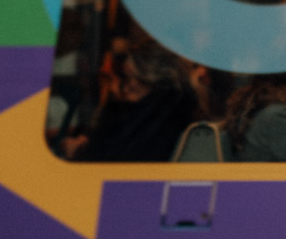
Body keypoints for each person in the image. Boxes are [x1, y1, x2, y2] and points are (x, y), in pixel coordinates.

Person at [63, 43, 199, 161]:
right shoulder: (176, 114)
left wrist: (79, 151)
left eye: (128, 78)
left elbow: (107, 163)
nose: (125, 88)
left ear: (149, 79)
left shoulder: (141, 125)